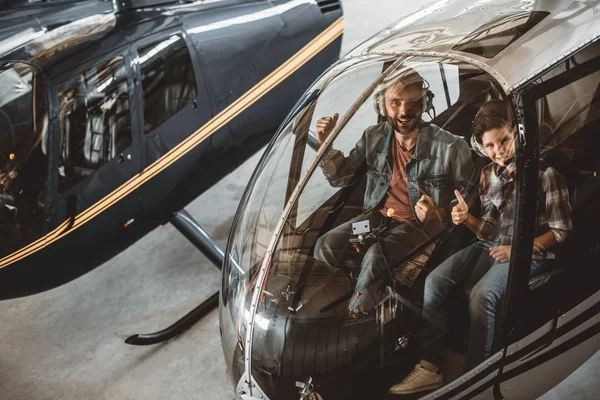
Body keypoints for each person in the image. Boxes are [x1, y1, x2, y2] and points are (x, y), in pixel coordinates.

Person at [388, 99, 573, 395]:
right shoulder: (489, 174)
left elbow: (561, 231)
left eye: (504, 141)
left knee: (482, 295)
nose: (499, 152)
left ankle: (477, 378)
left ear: (518, 133)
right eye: (490, 146)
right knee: (435, 281)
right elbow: (486, 229)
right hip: (491, 245)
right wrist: (466, 219)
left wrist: (518, 250)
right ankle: (430, 366)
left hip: (533, 253)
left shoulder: (546, 174)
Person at [313, 67, 476, 315]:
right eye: (395, 102)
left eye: (412, 102)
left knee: (376, 256)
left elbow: (472, 198)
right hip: (375, 219)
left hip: (416, 227)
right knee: (327, 244)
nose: (403, 111)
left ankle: (356, 320)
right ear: (383, 106)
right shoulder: (373, 137)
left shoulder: (452, 146)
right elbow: (342, 177)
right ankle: (321, 310)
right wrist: (326, 145)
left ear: (424, 103)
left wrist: (440, 213)